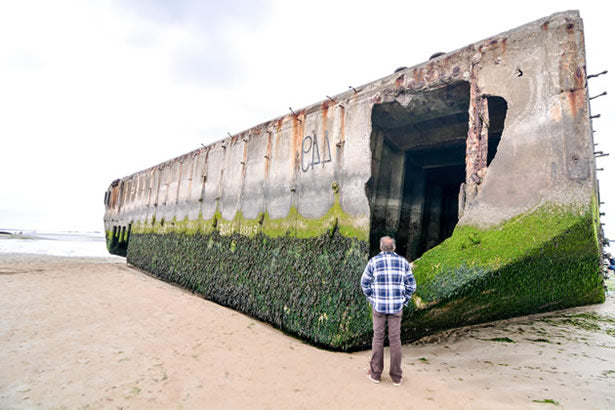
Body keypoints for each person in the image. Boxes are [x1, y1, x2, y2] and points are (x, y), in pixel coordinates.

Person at [360, 236, 416, 386]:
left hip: (378, 306)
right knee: (395, 340)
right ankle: (396, 377)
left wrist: (371, 297)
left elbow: (364, 282)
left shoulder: (373, 262)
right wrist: (404, 299)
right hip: (396, 306)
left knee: (378, 338)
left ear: (380, 248)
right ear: (394, 248)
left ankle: (375, 374)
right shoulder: (403, 262)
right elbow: (412, 285)